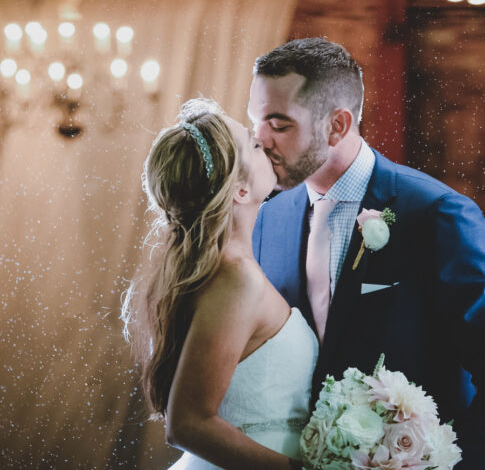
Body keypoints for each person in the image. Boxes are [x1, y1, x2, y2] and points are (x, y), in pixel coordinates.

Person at [248, 37, 485, 468]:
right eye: (256, 122)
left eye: (280, 125)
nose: (260, 141)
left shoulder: (436, 214)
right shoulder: (269, 219)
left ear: (337, 125)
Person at [121, 98, 318, 470]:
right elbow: (186, 424)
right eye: (255, 145)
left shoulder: (227, 271)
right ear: (239, 191)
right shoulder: (235, 279)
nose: (266, 143)